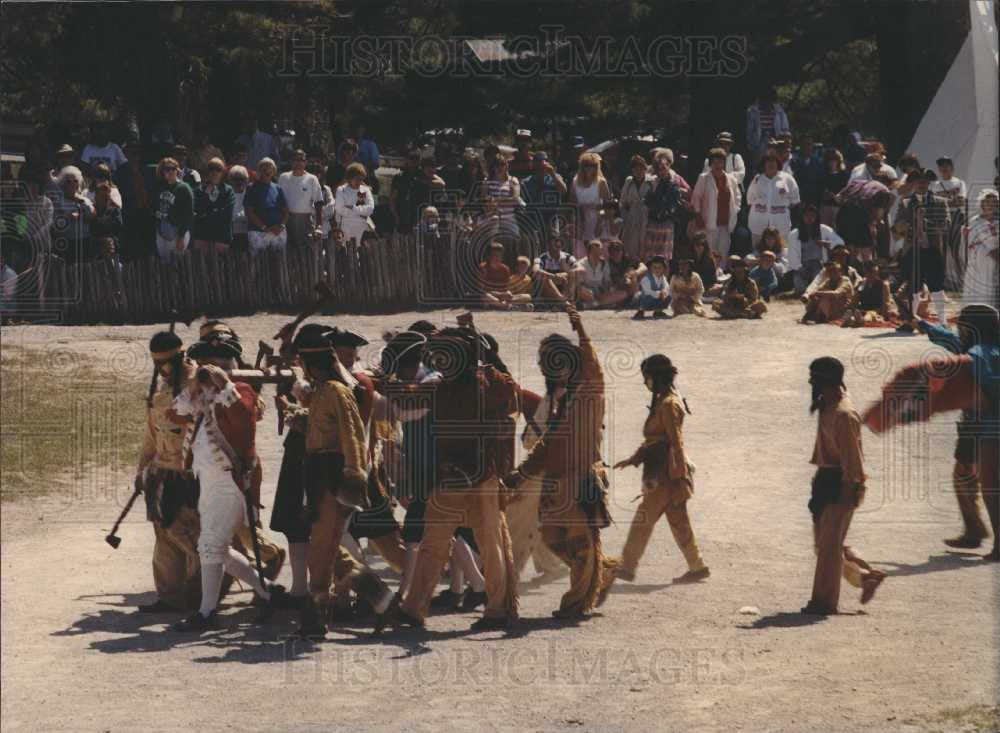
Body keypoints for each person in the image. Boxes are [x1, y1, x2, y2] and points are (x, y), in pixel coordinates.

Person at [392, 324, 520, 630]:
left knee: (436, 545)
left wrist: (386, 382)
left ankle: (414, 608)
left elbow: (402, 408)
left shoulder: (441, 386)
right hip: (482, 476)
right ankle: (498, 609)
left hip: (456, 477)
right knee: (489, 543)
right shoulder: (491, 381)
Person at [502, 307, 620, 619]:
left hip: (582, 481)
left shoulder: (590, 389)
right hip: (556, 483)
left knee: (582, 545)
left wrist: (580, 329)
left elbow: (592, 363)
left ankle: (576, 605)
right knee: (552, 538)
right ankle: (602, 568)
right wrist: (521, 474)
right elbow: (547, 445)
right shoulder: (561, 401)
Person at [170, 337, 285, 632]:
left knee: (210, 545)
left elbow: (244, 421)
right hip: (208, 480)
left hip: (230, 481)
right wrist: (196, 387)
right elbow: (174, 414)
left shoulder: (240, 391)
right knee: (214, 547)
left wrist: (225, 385)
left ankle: (207, 612)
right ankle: (268, 590)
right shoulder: (200, 394)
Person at [292, 327, 396, 637]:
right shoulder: (322, 391)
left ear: (313, 364)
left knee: (321, 550)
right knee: (329, 549)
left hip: (334, 478)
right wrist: (300, 418)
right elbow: (323, 428)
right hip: (318, 477)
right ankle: (383, 599)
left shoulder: (337, 391)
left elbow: (353, 436)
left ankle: (315, 618)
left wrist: (352, 480)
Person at [613, 355, 709, 582]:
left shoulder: (668, 405)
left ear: (656, 378)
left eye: (647, 377)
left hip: (664, 474)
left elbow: (675, 442)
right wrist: (634, 459)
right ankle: (697, 566)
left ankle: (626, 566)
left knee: (642, 519)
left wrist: (678, 478)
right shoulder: (664, 401)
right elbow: (654, 440)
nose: (645, 382)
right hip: (664, 471)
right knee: (679, 521)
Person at [801, 357, 886, 615]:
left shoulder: (843, 414)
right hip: (825, 480)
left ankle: (823, 602)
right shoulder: (828, 405)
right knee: (826, 544)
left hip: (841, 483)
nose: (810, 383)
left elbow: (852, 458)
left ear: (825, 382)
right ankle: (864, 577)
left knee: (829, 546)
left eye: (814, 378)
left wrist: (849, 492)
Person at [915, 305, 1000, 554]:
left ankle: (989, 538)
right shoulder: (969, 346)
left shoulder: (977, 353)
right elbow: (944, 336)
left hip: (984, 426)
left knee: (987, 483)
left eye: (962, 325)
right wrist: (920, 321)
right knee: (965, 477)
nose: (958, 329)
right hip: (977, 426)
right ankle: (974, 530)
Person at [133, 331, 202, 613]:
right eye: (157, 364)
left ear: (180, 357)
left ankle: (200, 594)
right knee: (163, 533)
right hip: (163, 472)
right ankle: (170, 596)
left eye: (166, 363)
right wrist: (142, 471)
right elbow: (151, 437)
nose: (162, 370)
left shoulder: (199, 385)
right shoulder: (160, 393)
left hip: (192, 473)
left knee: (188, 534)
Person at [895, 169, 950, 328]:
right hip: (912, 249)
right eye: (918, 182)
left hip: (932, 249)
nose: (921, 185)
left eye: (924, 182)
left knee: (937, 286)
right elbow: (897, 225)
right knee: (913, 286)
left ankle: (942, 320)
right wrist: (908, 224)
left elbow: (945, 224)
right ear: (913, 184)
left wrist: (926, 223)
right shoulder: (905, 202)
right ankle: (911, 320)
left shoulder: (940, 202)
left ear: (929, 184)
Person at [692, 147, 742, 261]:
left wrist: (735, 210)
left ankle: (722, 276)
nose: (718, 165)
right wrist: (698, 215)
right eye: (715, 162)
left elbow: (738, 196)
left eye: (721, 162)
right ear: (710, 164)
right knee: (708, 252)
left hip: (726, 224)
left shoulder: (731, 179)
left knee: (723, 252)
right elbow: (696, 197)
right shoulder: (704, 178)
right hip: (708, 223)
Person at [787, 204, 845, 296]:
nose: (810, 218)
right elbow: (792, 254)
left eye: (812, 216)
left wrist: (825, 244)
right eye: (807, 216)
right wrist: (799, 268)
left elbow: (840, 242)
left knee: (817, 286)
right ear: (802, 217)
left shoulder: (824, 229)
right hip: (801, 265)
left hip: (818, 264)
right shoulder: (794, 233)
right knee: (800, 289)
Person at [747, 152, 800, 244]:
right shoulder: (757, 179)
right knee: (758, 252)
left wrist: (780, 209)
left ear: (778, 164)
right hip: (759, 225)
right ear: (763, 165)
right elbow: (750, 200)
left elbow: (795, 201)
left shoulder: (787, 179)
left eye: (773, 162)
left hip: (781, 225)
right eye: (768, 162)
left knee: (783, 252)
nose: (771, 165)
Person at [642, 153, 685, 262]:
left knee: (664, 256)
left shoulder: (674, 184)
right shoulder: (652, 182)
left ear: (669, 166)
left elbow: (675, 204)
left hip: (666, 223)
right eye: (659, 169)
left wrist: (667, 212)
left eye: (664, 168)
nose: (661, 171)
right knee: (650, 255)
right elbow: (647, 200)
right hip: (653, 222)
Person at [278, 149, 324, 248]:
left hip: (306, 221)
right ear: (291, 161)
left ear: (306, 162)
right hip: (286, 220)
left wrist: (319, 226)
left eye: (301, 160)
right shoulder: (283, 177)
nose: (298, 163)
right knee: (288, 252)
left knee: (307, 252)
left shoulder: (312, 179)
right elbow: (278, 201)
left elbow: (318, 203)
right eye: (295, 160)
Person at [50, 166, 96, 263]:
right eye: (68, 181)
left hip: (85, 242)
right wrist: (68, 218)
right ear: (62, 184)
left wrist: (82, 211)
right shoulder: (58, 202)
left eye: (75, 181)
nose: (72, 184)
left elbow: (92, 215)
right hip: (68, 243)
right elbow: (54, 224)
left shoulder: (84, 200)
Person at [570, 152, 611, 259]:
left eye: (593, 165)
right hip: (581, 220)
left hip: (598, 220)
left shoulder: (601, 182)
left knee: (599, 253)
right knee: (581, 253)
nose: (589, 168)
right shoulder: (575, 181)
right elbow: (572, 204)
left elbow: (608, 206)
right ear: (582, 167)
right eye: (586, 165)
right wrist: (578, 219)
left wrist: (600, 222)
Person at [521, 151, 568, 243]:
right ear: (533, 164)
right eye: (538, 161)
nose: (542, 164)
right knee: (535, 249)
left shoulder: (555, 177)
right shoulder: (526, 182)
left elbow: (564, 191)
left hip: (551, 219)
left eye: (545, 160)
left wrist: (553, 174)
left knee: (553, 246)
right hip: (533, 221)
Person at [245, 158, 288, 253]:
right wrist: (265, 228)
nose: (267, 171)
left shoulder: (278, 188)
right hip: (258, 232)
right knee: (258, 264)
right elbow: (249, 212)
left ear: (274, 171)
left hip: (277, 232)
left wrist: (281, 226)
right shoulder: (251, 187)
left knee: (278, 263)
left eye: (270, 169)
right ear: (259, 171)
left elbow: (285, 211)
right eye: (264, 169)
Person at [192, 158, 236, 254]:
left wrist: (206, 213)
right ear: (207, 171)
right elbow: (196, 211)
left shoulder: (229, 191)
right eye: (211, 169)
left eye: (218, 169)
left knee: (222, 267)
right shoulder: (198, 190)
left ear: (223, 172)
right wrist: (207, 195)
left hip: (222, 237)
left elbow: (227, 215)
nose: (214, 172)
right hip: (201, 236)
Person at [963, 189, 998, 307]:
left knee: (990, 285)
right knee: (979, 284)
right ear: (982, 204)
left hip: (993, 259)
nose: (991, 205)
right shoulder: (976, 221)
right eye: (988, 202)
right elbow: (986, 242)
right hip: (980, 258)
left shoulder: (998, 222)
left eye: (994, 202)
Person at [841, 262, 898, 327]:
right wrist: (851, 308)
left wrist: (884, 316)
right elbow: (855, 300)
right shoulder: (861, 283)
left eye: (875, 272)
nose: (873, 274)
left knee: (868, 316)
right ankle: (852, 320)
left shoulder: (884, 284)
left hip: (876, 310)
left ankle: (859, 320)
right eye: (870, 272)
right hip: (862, 309)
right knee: (851, 313)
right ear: (866, 273)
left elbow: (886, 302)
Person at [745, 88, 790, 167]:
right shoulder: (753, 111)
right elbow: (749, 131)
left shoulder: (779, 111)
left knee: (778, 165)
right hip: (759, 143)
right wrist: (751, 146)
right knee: (760, 166)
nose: (768, 103)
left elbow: (785, 128)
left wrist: (782, 141)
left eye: (771, 100)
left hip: (777, 143)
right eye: (766, 100)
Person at [577, 239, 626, 309]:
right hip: (588, 292)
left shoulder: (604, 263)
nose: (598, 254)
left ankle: (593, 305)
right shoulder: (581, 264)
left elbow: (607, 281)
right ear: (589, 252)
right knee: (581, 291)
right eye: (595, 252)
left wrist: (608, 289)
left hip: (600, 292)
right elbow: (580, 284)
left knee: (623, 294)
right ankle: (603, 303)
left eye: (599, 251)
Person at [479, 241, 529, 310]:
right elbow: (482, 290)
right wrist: (500, 294)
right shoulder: (483, 267)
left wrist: (506, 293)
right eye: (494, 255)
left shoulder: (505, 269)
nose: (496, 258)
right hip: (491, 295)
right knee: (485, 296)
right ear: (489, 256)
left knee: (527, 296)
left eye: (499, 255)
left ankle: (502, 305)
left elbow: (506, 287)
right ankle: (509, 306)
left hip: (502, 296)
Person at [620, 154, 652, 260]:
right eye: (635, 169)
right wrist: (625, 213)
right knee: (630, 251)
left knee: (646, 251)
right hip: (631, 220)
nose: (638, 171)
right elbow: (622, 202)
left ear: (645, 168)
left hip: (647, 220)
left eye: (641, 168)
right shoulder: (628, 182)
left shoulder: (652, 182)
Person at [533, 233, 579, 302]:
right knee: (546, 279)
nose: (557, 245)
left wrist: (565, 272)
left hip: (564, 286)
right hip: (548, 288)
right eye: (554, 243)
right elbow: (535, 269)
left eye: (559, 243)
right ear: (548, 245)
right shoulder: (542, 257)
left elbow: (579, 269)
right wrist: (553, 276)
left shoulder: (568, 257)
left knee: (573, 276)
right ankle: (562, 301)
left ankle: (569, 301)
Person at [389, 150, 422, 234]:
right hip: (402, 214)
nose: (413, 161)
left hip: (419, 215)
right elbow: (392, 199)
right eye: (411, 159)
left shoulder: (423, 174)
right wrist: (396, 217)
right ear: (407, 160)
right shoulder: (399, 177)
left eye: (416, 159)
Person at [819, 148, 850, 228]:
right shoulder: (823, 173)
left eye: (834, 160)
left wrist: (839, 196)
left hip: (839, 206)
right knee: (825, 229)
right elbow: (819, 189)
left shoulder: (844, 174)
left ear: (838, 161)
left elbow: (847, 189)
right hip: (825, 206)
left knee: (838, 228)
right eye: (829, 160)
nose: (832, 162)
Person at [632, 254, 670, 320]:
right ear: (650, 268)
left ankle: (658, 311)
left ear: (663, 269)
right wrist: (659, 293)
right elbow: (647, 291)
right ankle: (641, 311)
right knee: (645, 296)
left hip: (656, 299)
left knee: (669, 296)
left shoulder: (663, 278)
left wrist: (664, 291)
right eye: (654, 267)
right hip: (645, 300)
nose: (657, 269)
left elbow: (666, 287)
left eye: (660, 267)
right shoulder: (646, 278)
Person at [790, 134, 824, 206]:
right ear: (800, 146)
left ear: (812, 146)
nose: (806, 147)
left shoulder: (819, 162)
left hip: (814, 199)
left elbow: (820, 182)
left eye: (809, 144)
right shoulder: (793, 161)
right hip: (798, 198)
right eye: (804, 144)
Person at [227, 165, 250, 251]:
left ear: (247, 180)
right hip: (230, 231)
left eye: (242, 179)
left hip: (247, 231)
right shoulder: (226, 194)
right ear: (230, 180)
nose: (239, 182)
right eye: (236, 179)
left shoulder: (250, 193)